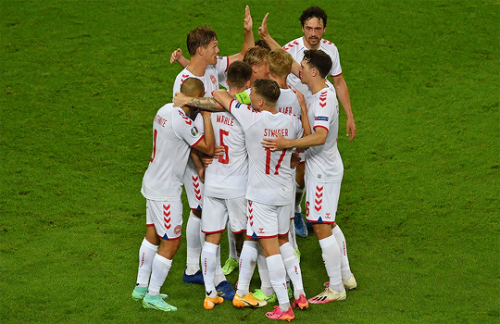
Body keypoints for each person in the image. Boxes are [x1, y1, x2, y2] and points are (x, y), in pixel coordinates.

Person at [261, 50, 356, 304]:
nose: (298, 70)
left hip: (323, 170)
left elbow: (321, 136)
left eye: (302, 66)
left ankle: (336, 288)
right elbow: (313, 132)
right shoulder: (319, 94)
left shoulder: (324, 99)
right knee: (329, 222)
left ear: (314, 71)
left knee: (322, 226)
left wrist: (287, 143)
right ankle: (345, 276)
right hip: (321, 166)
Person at [172, 7, 254, 286]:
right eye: (214, 46)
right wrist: (200, 161)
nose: (219, 51)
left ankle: (201, 268)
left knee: (206, 211)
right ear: (200, 50)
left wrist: (247, 31)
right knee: (199, 210)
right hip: (194, 157)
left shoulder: (212, 67)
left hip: (209, 152)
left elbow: (244, 56)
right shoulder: (184, 84)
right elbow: (182, 128)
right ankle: (193, 268)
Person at [259, 6, 357, 238]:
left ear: (324, 28)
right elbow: (283, 61)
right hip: (296, 109)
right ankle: (297, 211)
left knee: (306, 167)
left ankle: (304, 209)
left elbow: (340, 82)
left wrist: (349, 114)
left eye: (318, 29)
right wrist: (266, 38)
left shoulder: (331, 51)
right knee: (296, 164)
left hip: (318, 111)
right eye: (309, 28)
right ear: (303, 28)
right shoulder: (293, 49)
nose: (314, 33)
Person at [132, 78, 215, 312]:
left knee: (152, 236)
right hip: (166, 191)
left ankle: (140, 287)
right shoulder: (182, 121)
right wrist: (207, 117)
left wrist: (197, 165)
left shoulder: (164, 110)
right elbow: (208, 146)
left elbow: (183, 146)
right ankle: (152, 295)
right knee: (171, 242)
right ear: (196, 99)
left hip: (151, 182)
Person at [176, 61, 253, 309]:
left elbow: (192, 140)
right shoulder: (246, 114)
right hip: (237, 187)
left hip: (212, 185)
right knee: (245, 237)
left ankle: (210, 293)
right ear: (249, 84)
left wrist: (201, 163)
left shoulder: (206, 112)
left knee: (212, 238)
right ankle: (242, 290)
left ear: (225, 80)